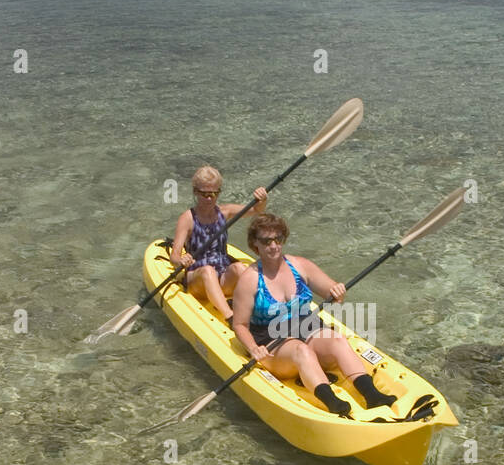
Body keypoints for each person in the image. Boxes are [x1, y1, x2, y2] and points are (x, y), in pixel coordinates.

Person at [231, 213, 398, 416]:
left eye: (278, 239)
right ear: (255, 244)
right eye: (266, 241)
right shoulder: (249, 279)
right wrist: (253, 348)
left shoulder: (300, 265)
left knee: (336, 339)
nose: (273, 246)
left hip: (306, 327)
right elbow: (239, 324)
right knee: (301, 351)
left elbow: (333, 292)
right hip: (271, 341)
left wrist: (337, 292)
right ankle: (332, 403)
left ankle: (372, 395)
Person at [170, 166, 267, 320]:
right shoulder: (187, 218)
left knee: (238, 268)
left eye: (214, 193)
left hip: (222, 276)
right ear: (195, 192)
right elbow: (174, 256)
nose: (210, 198)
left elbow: (256, 210)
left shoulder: (225, 212)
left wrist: (262, 199)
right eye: (205, 194)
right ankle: (230, 317)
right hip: (198, 278)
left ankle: (265, 307)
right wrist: (181, 260)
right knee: (208, 271)